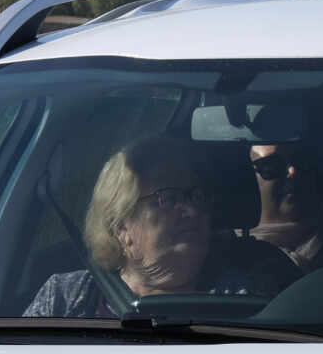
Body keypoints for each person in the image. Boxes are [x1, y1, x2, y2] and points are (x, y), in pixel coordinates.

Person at [25, 135, 299, 317]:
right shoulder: (62, 298)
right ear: (121, 226)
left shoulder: (250, 297)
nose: (192, 210)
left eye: (196, 196)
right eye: (169, 199)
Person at [247, 143, 323, 271]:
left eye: (300, 160)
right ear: (245, 178)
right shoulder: (228, 253)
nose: (293, 171)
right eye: (272, 165)